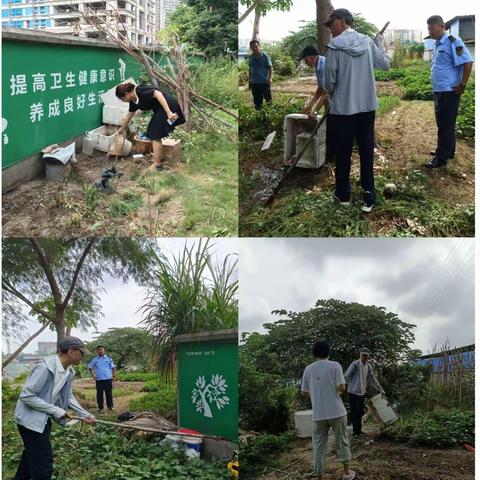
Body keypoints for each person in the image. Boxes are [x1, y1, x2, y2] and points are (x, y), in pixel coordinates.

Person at [323, 8, 390, 212]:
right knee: (366, 151)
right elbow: (385, 64)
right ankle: (368, 197)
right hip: (367, 107)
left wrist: (335, 93)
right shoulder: (368, 43)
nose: (330, 29)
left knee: (343, 152)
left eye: (331, 24)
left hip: (343, 109)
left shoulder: (333, 47)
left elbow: (329, 82)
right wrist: (379, 43)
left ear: (343, 22)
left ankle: (343, 195)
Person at [13, 336, 95, 480]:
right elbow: (27, 396)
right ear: (71, 352)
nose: (83, 356)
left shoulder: (69, 371)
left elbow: (68, 396)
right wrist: (56, 410)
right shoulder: (45, 367)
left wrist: (84, 414)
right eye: (82, 353)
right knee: (44, 462)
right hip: (29, 420)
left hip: (43, 419)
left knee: (32, 454)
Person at [302, 341, 357, 480]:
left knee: (319, 445)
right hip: (337, 412)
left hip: (319, 414)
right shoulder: (335, 365)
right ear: (328, 352)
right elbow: (341, 387)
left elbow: (305, 392)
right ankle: (347, 473)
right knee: (342, 440)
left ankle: (320, 476)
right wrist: (335, 392)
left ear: (314, 353)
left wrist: (317, 394)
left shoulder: (308, 369)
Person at [425, 15, 473, 169]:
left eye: (432, 28)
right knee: (446, 124)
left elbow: (468, 61)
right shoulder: (438, 44)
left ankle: (441, 158)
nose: (430, 31)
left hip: (449, 91)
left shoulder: (453, 41)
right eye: (428, 28)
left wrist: (463, 84)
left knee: (445, 124)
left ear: (442, 26)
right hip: (440, 90)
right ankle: (448, 151)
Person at [115, 82, 186, 171]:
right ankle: (158, 160)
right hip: (161, 110)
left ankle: (157, 164)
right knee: (154, 132)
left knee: (154, 132)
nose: (123, 101)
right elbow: (129, 116)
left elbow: (158, 94)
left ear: (126, 94)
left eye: (122, 99)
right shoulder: (133, 100)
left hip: (168, 107)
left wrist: (168, 112)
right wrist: (121, 129)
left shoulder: (139, 90)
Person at [344, 348, 384, 437]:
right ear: (360, 355)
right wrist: (348, 384)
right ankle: (355, 432)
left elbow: (373, 379)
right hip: (353, 392)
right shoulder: (355, 364)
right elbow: (346, 376)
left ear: (368, 357)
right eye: (363, 355)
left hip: (362, 392)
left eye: (366, 356)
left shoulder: (368, 366)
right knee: (355, 412)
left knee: (360, 411)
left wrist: (380, 389)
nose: (365, 357)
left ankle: (359, 430)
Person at [299, 46, 327, 115]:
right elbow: (320, 89)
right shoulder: (318, 65)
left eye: (306, 59)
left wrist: (315, 111)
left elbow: (326, 92)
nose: (305, 62)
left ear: (312, 57)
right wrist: (309, 106)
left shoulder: (323, 65)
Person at [88, 345, 116, 412]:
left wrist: (113, 376)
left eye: (101, 349)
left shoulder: (109, 359)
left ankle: (110, 407)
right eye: (99, 349)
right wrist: (93, 375)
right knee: (99, 394)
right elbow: (90, 368)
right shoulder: (95, 360)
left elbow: (113, 368)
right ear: (97, 351)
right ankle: (100, 408)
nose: (100, 351)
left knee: (109, 393)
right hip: (99, 380)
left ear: (104, 350)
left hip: (108, 379)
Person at [248, 40, 273, 109]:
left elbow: (270, 67)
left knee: (268, 100)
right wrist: (249, 80)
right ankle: (259, 115)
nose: (254, 48)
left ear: (259, 46)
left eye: (256, 46)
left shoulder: (265, 56)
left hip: (264, 82)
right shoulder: (251, 57)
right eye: (252, 47)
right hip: (254, 83)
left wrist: (270, 78)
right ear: (250, 48)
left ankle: (270, 114)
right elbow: (250, 69)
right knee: (257, 102)